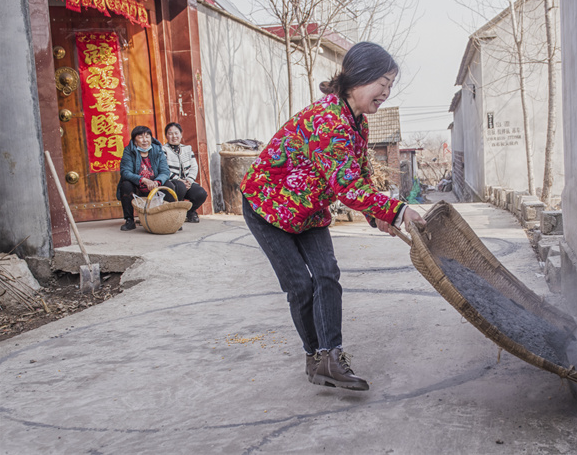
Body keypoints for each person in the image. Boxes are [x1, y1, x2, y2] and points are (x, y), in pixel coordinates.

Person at [240, 41, 426, 391]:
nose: (386, 92)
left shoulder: (357, 122)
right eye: (382, 84)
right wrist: (398, 210)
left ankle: (331, 356)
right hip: (268, 205)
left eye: (390, 86)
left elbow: (359, 176)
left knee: (327, 274)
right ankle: (315, 357)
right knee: (300, 286)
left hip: (306, 208)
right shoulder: (329, 119)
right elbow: (347, 186)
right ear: (358, 78)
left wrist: (378, 216)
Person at [117, 125, 177, 231]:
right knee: (125, 185)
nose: (145, 140)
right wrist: (142, 180)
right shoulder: (129, 151)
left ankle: (172, 219)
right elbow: (125, 172)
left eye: (147, 136)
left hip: (155, 185)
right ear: (135, 141)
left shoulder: (158, 150)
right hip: (138, 187)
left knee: (170, 185)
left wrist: (157, 181)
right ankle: (129, 220)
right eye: (140, 137)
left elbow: (165, 171)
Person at [163, 122, 208, 223]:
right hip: (173, 182)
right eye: (170, 134)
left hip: (187, 182)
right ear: (166, 136)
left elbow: (194, 166)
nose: (174, 136)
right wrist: (179, 180)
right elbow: (164, 169)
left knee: (201, 194)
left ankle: (190, 211)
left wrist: (189, 180)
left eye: (176, 133)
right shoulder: (163, 150)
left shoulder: (187, 149)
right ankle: (176, 215)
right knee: (180, 186)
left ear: (181, 134)